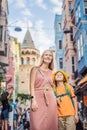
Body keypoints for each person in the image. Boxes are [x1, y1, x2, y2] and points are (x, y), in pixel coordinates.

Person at [30, 50, 58, 130]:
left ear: (52, 59)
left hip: (50, 98)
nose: (48, 56)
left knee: (50, 123)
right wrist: (33, 100)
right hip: (37, 97)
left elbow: (55, 87)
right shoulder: (35, 69)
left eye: (50, 55)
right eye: (46, 55)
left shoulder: (52, 72)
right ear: (42, 57)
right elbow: (31, 85)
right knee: (36, 124)